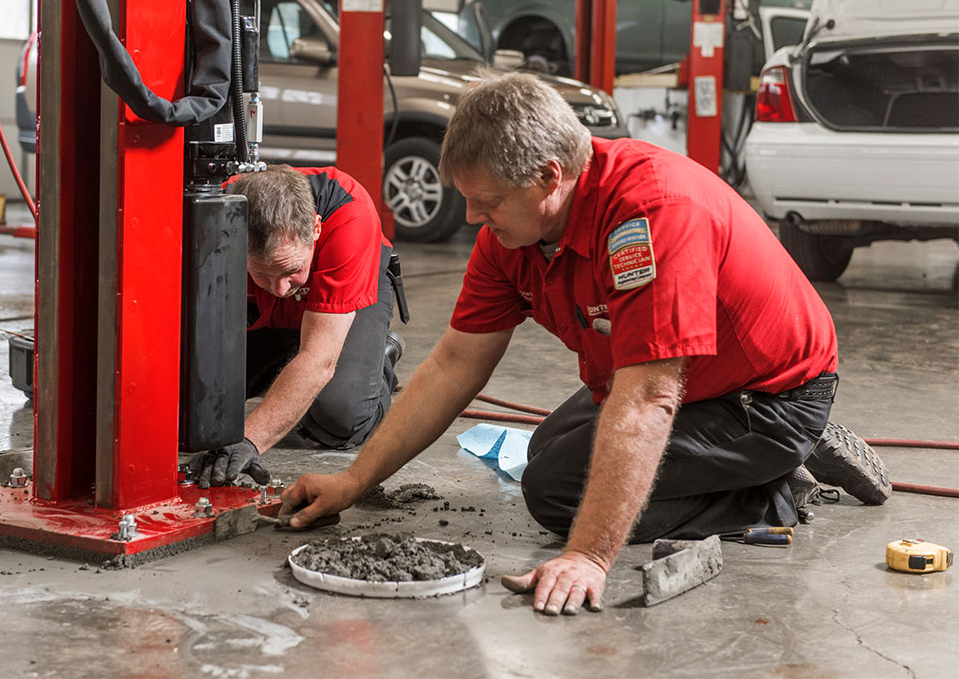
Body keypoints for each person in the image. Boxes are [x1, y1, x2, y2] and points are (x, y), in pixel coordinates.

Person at [278, 72, 888, 616]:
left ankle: (778, 476)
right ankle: (750, 461)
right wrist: (353, 481)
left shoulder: (651, 215)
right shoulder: (512, 236)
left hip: (768, 396)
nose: (469, 217)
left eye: (486, 201)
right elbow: (454, 364)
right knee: (549, 450)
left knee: (555, 491)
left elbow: (649, 397)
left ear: (549, 176)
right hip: (691, 377)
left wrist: (590, 557)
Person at [188, 165, 403, 487]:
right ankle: (288, 367)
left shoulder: (350, 216)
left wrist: (250, 439)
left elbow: (319, 359)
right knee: (190, 408)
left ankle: (379, 359)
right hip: (260, 314)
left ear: (315, 229)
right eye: (262, 273)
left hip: (345, 298)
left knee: (341, 417)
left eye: (292, 270)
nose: (280, 288)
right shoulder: (217, 211)